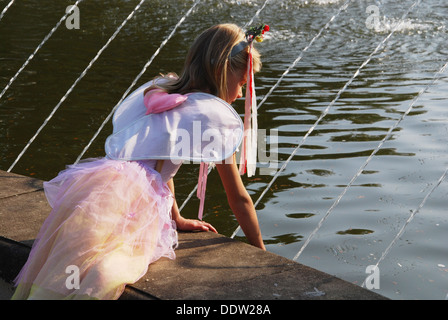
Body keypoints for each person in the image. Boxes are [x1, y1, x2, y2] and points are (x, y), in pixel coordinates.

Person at [12, 23, 267, 300]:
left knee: (72, 259)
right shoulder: (211, 117)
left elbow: (157, 161)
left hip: (102, 189)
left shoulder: (162, 90)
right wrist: (262, 253)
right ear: (222, 71)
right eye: (242, 84)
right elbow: (239, 199)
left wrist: (177, 217)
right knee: (108, 268)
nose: (241, 95)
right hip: (134, 206)